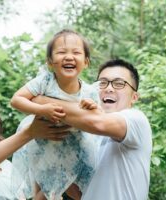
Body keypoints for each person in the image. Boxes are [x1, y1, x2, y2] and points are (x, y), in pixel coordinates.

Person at [32, 59, 153, 200]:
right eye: (102, 83)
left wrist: (39, 101)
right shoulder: (88, 137)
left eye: (119, 83)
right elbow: (79, 192)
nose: (108, 88)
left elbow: (97, 123)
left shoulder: (136, 119)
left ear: (134, 97)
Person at [10, 29, 99, 200]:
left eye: (76, 52)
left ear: (86, 62)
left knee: (81, 191)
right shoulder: (45, 81)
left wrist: (92, 106)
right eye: (61, 52)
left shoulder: (89, 92)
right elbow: (17, 100)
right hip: (44, 144)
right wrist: (42, 109)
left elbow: (99, 118)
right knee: (42, 192)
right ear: (50, 62)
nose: (69, 56)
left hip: (74, 146)